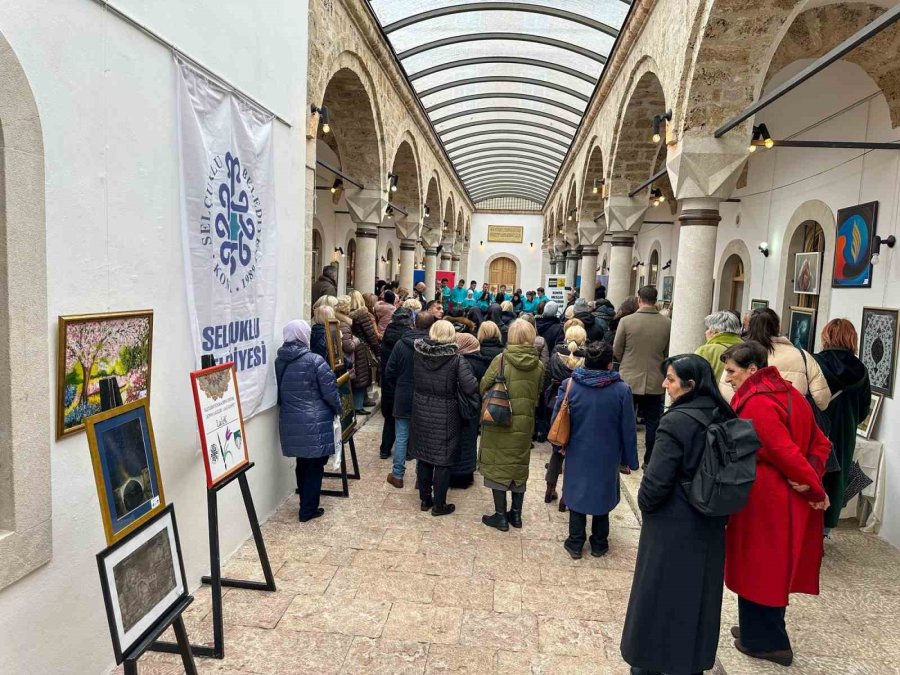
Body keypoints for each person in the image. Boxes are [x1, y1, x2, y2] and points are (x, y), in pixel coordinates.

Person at [621, 354, 736, 675]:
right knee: (697, 599)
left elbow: (655, 483)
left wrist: (647, 504)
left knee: (658, 596)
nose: (664, 385)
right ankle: (691, 662)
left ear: (690, 385)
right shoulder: (724, 415)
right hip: (710, 523)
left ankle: (649, 662)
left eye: (670, 379)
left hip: (672, 523)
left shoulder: (676, 421)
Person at [721, 341, 831, 666]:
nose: (727, 378)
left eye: (731, 371)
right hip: (783, 495)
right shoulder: (790, 393)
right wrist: (811, 477)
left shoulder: (758, 403)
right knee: (767, 566)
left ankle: (770, 642)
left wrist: (814, 488)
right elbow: (820, 443)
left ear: (752, 370)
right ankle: (755, 630)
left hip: (767, 498)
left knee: (761, 568)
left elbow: (783, 452)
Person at [553, 342, 638, 559]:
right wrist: (630, 459)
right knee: (603, 494)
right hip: (608, 453)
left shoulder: (570, 385)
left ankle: (575, 542)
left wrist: (558, 446)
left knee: (576, 492)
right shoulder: (622, 390)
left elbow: (557, 418)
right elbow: (628, 428)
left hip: (577, 449)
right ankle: (599, 542)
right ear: (610, 364)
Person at [479, 319, 545, 531]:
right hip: (524, 424)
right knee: (518, 465)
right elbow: (538, 393)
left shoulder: (501, 360)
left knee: (498, 465)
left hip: (499, 421)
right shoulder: (539, 365)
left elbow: (483, 386)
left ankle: (500, 516)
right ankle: (516, 515)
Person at [409, 320, 479, 515]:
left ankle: (425, 500)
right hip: (447, 413)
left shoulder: (418, 354)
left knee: (424, 456)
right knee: (443, 460)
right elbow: (470, 387)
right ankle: (439, 505)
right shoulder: (456, 360)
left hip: (421, 410)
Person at [275, 320, 341, 522]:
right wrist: (339, 409)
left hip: (291, 419)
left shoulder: (280, 361)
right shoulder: (314, 360)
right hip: (315, 420)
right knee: (315, 465)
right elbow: (330, 391)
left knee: (302, 462)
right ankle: (308, 510)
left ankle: (305, 501)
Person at [814, 319, 872, 532]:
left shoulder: (815, 363)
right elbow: (864, 409)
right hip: (845, 432)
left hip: (816, 427)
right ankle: (825, 529)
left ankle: (806, 528)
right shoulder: (861, 370)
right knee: (837, 479)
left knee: (813, 473)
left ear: (826, 336)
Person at [721, 308, 830, 410]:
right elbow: (822, 399)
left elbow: (726, 393)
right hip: (792, 417)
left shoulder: (739, 355)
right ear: (777, 328)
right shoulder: (802, 356)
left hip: (749, 417)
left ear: (749, 327)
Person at [613, 286, 671, 467]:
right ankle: (649, 460)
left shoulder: (626, 321)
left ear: (639, 299)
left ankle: (625, 460)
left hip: (629, 377)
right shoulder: (667, 323)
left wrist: (626, 362)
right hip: (655, 378)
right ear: (655, 300)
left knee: (626, 420)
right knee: (653, 422)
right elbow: (667, 351)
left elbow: (617, 349)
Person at [384, 312, 437, 489]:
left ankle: (397, 475)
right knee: (423, 438)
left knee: (402, 437)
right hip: (425, 396)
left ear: (414, 323)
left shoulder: (401, 344)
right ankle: (421, 479)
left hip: (404, 395)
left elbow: (390, 371)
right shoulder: (433, 346)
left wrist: (400, 385)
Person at [544, 324, 587, 506]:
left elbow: (547, 375)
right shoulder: (587, 359)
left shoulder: (556, 356)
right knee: (573, 455)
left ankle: (549, 488)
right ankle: (565, 496)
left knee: (557, 450)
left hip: (557, 402)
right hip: (579, 404)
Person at [379, 308, 413, 459]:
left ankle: (385, 449)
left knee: (389, 419)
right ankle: (406, 451)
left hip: (388, 382)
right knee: (405, 419)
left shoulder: (387, 332)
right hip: (403, 382)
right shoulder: (407, 339)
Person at [451, 332, 482, 488]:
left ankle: (456, 476)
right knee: (469, 443)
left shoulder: (461, 363)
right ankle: (467, 475)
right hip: (473, 410)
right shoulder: (480, 362)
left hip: (460, 408)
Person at [349, 290, 381, 414]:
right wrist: (377, 351)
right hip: (362, 348)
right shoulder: (363, 314)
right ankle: (358, 405)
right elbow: (370, 334)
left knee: (357, 376)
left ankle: (362, 400)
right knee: (362, 376)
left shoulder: (346, 316)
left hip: (352, 347)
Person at [695, 311, 743, 381]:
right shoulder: (748, 348)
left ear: (716, 331)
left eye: (708, 328)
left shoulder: (706, 350)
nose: (706, 332)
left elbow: (695, 376)